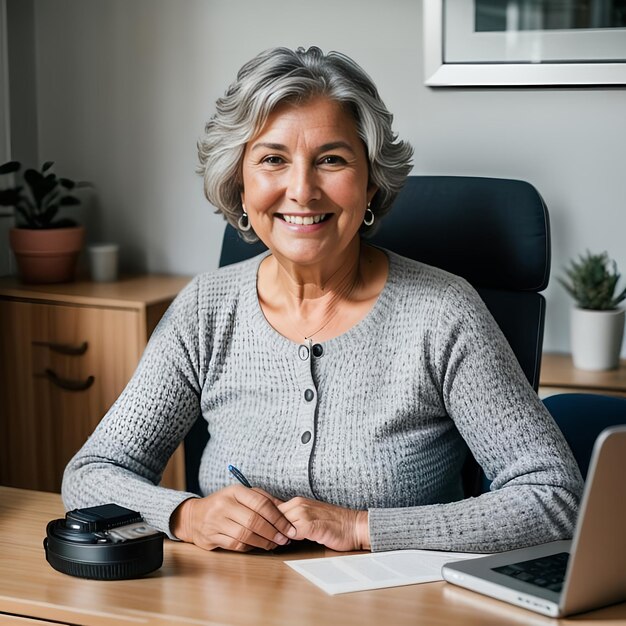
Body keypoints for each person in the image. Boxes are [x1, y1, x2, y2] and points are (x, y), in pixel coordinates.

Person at [62, 46, 583, 554]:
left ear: (371, 184)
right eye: (272, 159)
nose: (302, 190)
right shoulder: (205, 309)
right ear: (240, 186)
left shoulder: (443, 313)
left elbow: (554, 498)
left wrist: (361, 528)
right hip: (231, 608)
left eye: (330, 159)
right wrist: (187, 515)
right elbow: (90, 476)